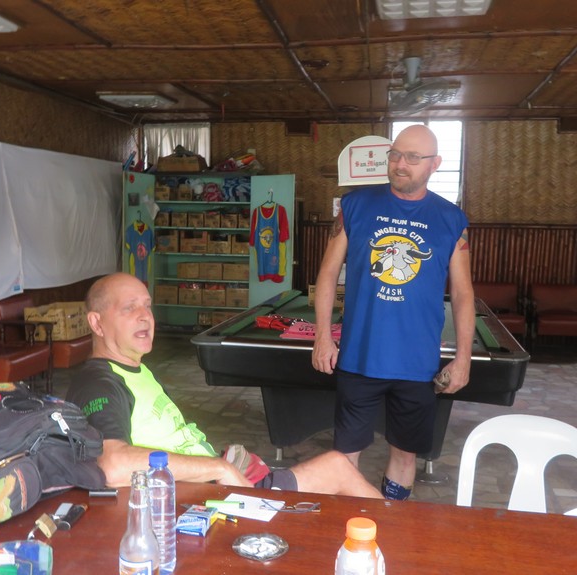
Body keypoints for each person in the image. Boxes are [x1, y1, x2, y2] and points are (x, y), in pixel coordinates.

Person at [66, 272, 383, 499]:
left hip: (218, 485)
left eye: (147, 305)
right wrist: (216, 468)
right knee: (338, 468)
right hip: (205, 501)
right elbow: (112, 465)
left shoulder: (136, 369)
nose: (145, 316)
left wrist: (222, 463)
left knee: (337, 468)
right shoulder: (98, 382)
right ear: (96, 323)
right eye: (129, 308)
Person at [311, 125, 475, 500]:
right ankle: (349, 522)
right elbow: (327, 274)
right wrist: (322, 337)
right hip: (359, 356)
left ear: (435, 163)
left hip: (418, 363)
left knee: (405, 455)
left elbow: (463, 293)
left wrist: (463, 358)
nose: (400, 164)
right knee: (345, 455)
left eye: (412, 158)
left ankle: (393, 519)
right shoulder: (355, 206)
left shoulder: (451, 219)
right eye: (395, 155)